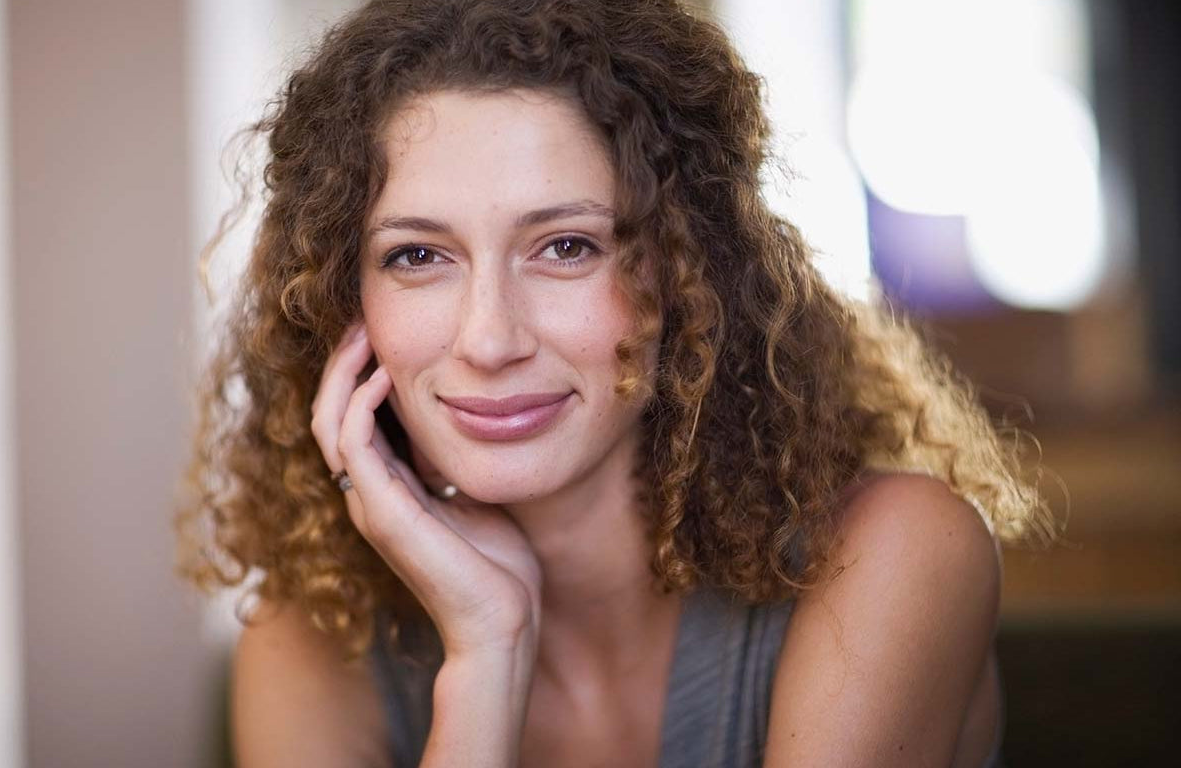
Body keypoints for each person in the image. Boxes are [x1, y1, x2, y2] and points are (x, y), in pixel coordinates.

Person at [175, 1, 1058, 765]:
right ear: (342, 303)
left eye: (566, 247)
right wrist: (487, 653)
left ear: (686, 272)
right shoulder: (309, 644)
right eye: (417, 256)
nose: (489, 338)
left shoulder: (891, 553)